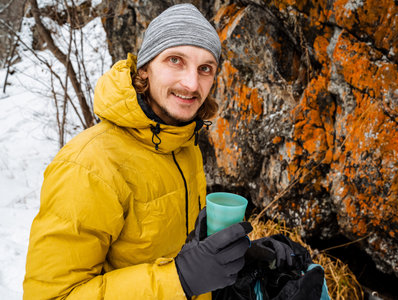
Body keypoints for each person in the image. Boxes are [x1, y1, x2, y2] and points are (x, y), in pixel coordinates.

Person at [23, 4, 252, 299]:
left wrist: (235, 261)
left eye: (205, 68)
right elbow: (53, 296)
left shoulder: (182, 144)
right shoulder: (88, 165)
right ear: (144, 68)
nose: (192, 83)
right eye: (175, 60)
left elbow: (175, 251)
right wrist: (179, 279)